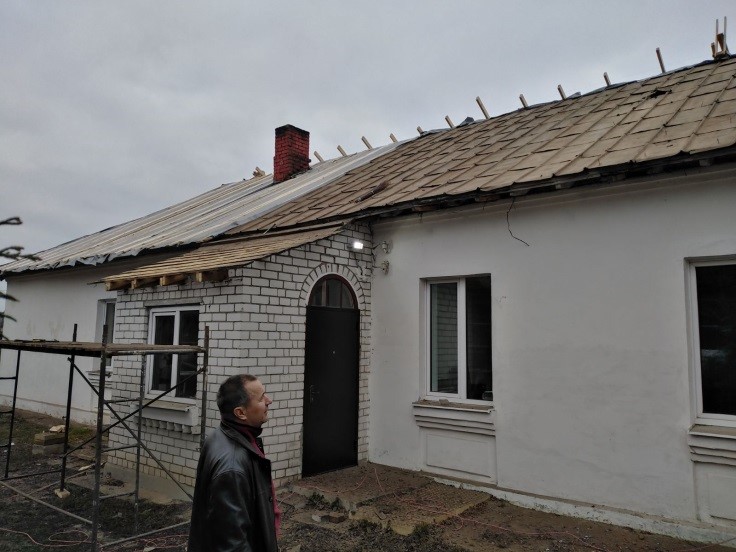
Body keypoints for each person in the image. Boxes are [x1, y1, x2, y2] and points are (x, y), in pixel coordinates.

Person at [188, 374, 280, 552]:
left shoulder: (221, 435)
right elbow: (233, 544)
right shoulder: (232, 467)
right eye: (261, 398)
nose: (269, 401)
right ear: (240, 413)